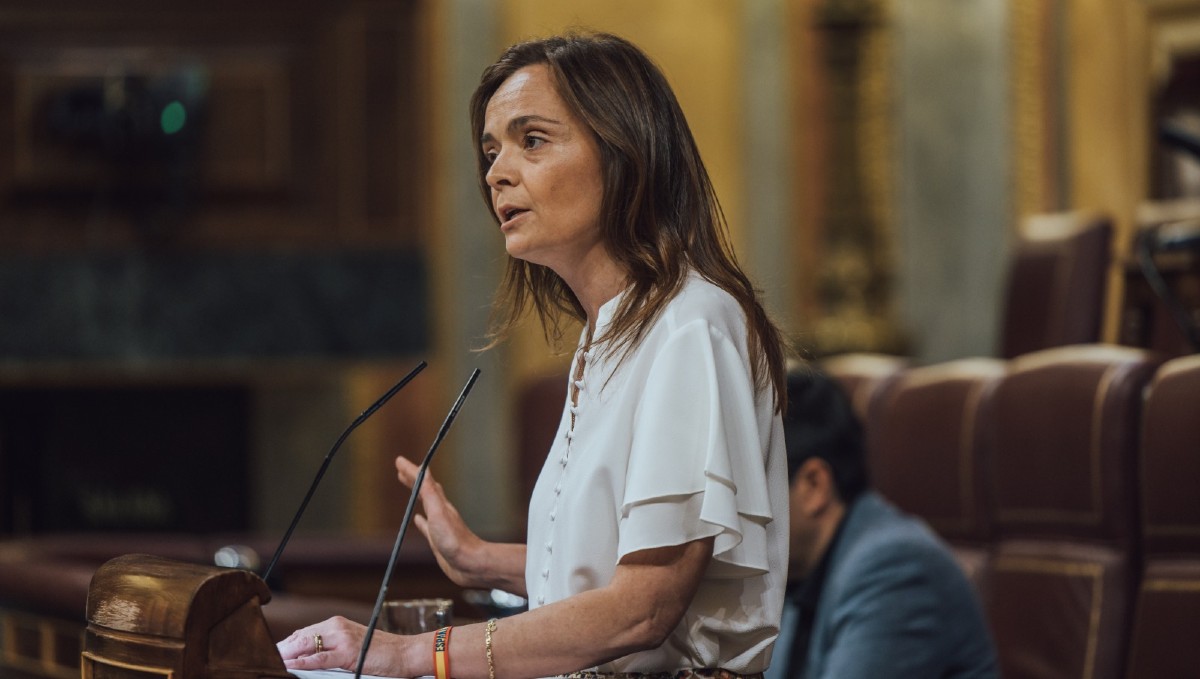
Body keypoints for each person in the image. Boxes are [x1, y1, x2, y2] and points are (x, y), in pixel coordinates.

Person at [278, 31, 791, 679]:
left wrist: (414, 654)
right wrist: (480, 560)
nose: (496, 171)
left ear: (624, 151)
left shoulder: (693, 323)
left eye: (533, 140)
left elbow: (645, 608)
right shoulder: (608, 335)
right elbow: (616, 567)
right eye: (491, 150)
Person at [765, 367, 998, 679]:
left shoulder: (894, 567)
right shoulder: (797, 568)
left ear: (814, 485)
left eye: (749, 491)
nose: (732, 516)